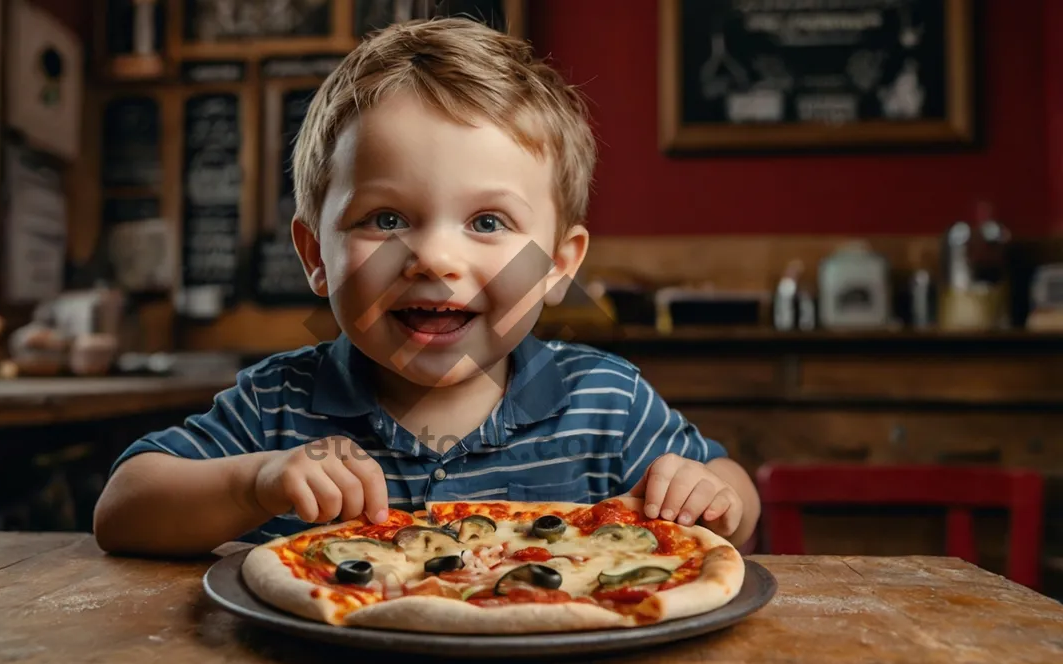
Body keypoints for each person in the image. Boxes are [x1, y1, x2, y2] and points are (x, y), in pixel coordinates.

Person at [93, 17, 760, 557]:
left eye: (488, 221)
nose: (436, 258)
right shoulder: (277, 407)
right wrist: (255, 482)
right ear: (314, 254)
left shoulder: (608, 405)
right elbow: (122, 509)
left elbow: (737, 501)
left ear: (559, 265)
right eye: (386, 219)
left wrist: (710, 495)